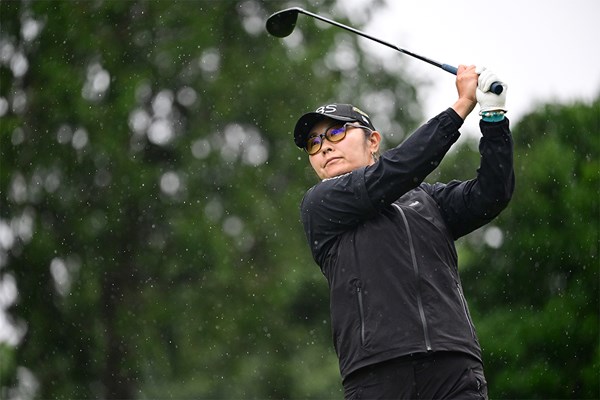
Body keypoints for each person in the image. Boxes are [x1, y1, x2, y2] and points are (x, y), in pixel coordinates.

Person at [292, 65, 514, 399]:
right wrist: (460, 108)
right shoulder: (321, 203)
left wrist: (493, 118)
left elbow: (492, 193)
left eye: (336, 133)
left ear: (373, 141)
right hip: (377, 375)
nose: (323, 146)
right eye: (313, 142)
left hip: (453, 368)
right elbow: (399, 170)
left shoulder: (427, 199)